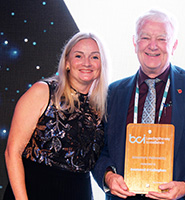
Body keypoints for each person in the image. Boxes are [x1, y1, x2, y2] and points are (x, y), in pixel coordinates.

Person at [92, 9, 185, 200]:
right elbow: (98, 151)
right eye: (145, 37)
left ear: (174, 45)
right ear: (134, 43)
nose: (153, 46)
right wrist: (108, 176)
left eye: (162, 39)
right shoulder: (113, 93)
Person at [4, 31, 109, 200]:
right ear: (67, 62)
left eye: (95, 57)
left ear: (102, 65)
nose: (87, 63)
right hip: (34, 191)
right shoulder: (43, 92)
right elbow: (12, 152)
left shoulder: (100, 107)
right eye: (79, 56)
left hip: (79, 192)